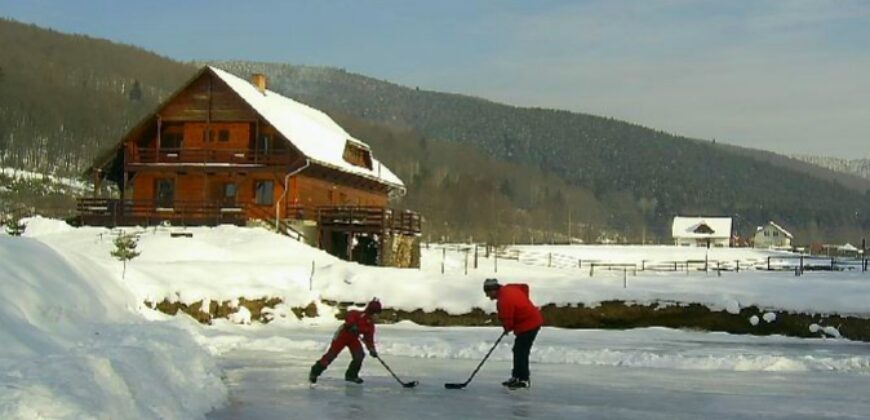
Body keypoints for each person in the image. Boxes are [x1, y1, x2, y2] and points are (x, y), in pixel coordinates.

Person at [483, 278, 543, 389]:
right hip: (532, 320)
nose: (488, 297)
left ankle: (523, 379)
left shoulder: (503, 301)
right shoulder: (509, 287)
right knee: (518, 350)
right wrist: (523, 304)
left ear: (493, 290)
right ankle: (517, 377)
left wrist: (506, 328)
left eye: (488, 293)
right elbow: (524, 287)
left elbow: (507, 320)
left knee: (521, 351)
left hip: (529, 324)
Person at [309, 298, 382, 384]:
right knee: (331, 355)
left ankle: (351, 375)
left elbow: (369, 339)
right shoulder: (357, 314)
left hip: (353, 339)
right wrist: (352, 325)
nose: (377, 316)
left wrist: (371, 349)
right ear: (372, 312)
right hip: (342, 336)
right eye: (376, 313)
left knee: (359, 355)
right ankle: (315, 372)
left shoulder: (370, 325)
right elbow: (350, 316)